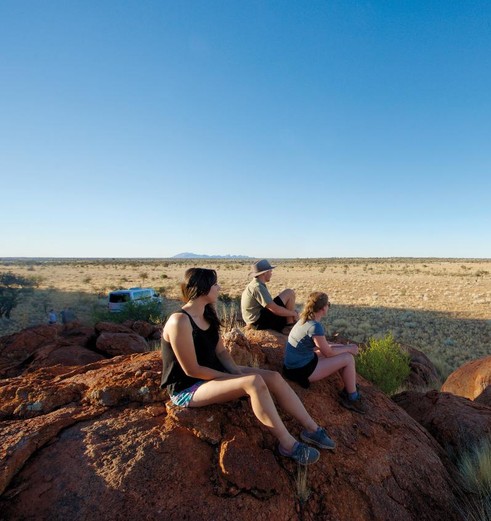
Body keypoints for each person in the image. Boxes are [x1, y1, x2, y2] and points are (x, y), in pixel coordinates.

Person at [161, 268, 336, 465]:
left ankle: (312, 429)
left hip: (213, 373)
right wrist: (233, 378)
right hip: (190, 387)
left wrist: (235, 371)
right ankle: (288, 445)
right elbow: (192, 370)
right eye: (215, 284)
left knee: (273, 377)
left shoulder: (207, 313)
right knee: (252, 382)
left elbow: (220, 352)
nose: (219, 288)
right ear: (203, 289)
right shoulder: (179, 321)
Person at [283, 291, 368, 414]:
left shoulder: (304, 320)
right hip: (300, 371)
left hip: (292, 367)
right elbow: (328, 353)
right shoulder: (314, 326)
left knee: (341, 353)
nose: (328, 306)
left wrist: (342, 346)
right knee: (348, 358)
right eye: (328, 304)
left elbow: (320, 346)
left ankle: (349, 388)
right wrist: (348, 349)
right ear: (323, 308)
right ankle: (352, 398)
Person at [241, 259, 298, 334]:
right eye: (270, 271)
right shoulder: (257, 287)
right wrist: (293, 313)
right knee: (289, 293)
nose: (271, 273)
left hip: (255, 320)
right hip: (258, 323)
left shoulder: (255, 284)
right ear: (264, 273)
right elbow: (276, 310)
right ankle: (289, 326)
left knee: (288, 302)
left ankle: (288, 323)